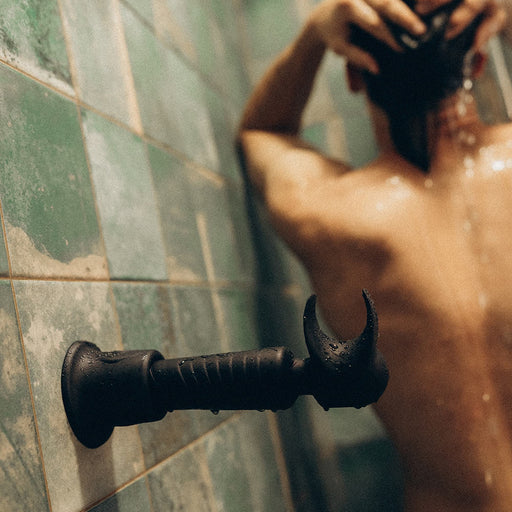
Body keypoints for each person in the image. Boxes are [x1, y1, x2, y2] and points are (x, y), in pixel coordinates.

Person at [237, 0, 512, 510]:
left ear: (355, 78)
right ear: (478, 61)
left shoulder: (337, 216)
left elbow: (262, 132)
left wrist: (317, 34)